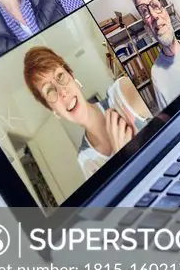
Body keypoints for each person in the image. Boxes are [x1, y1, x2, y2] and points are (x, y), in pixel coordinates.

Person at [23, 46, 151, 178]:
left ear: (73, 78)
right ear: (54, 111)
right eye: (49, 91)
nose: (62, 92)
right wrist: (123, 159)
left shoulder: (121, 94)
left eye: (60, 76)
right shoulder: (86, 161)